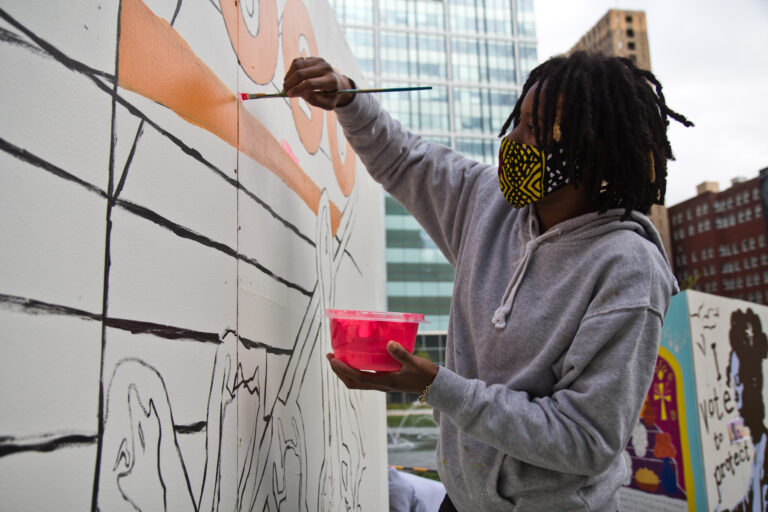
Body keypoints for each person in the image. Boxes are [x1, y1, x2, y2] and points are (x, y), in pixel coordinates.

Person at [283, 51, 693, 511]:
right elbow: (405, 160)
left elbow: (586, 439)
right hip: (461, 502)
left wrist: (435, 386)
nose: (513, 139)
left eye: (534, 130)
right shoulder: (489, 202)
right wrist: (347, 98)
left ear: (589, 151)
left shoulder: (627, 268)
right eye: (518, 120)